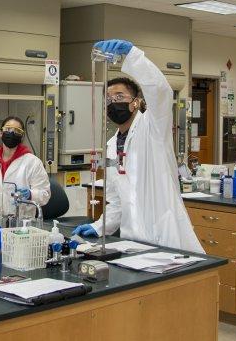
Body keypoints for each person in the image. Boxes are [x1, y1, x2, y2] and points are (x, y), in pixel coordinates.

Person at [72, 40, 203, 254]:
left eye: (120, 97)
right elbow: (117, 201)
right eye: (109, 99)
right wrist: (98, 227)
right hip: (132, 241)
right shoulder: (112, 146)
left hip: (165, 237)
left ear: (135, 102)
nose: (113, 102)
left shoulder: (154, 127)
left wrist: (133, 55)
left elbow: (161, 91)